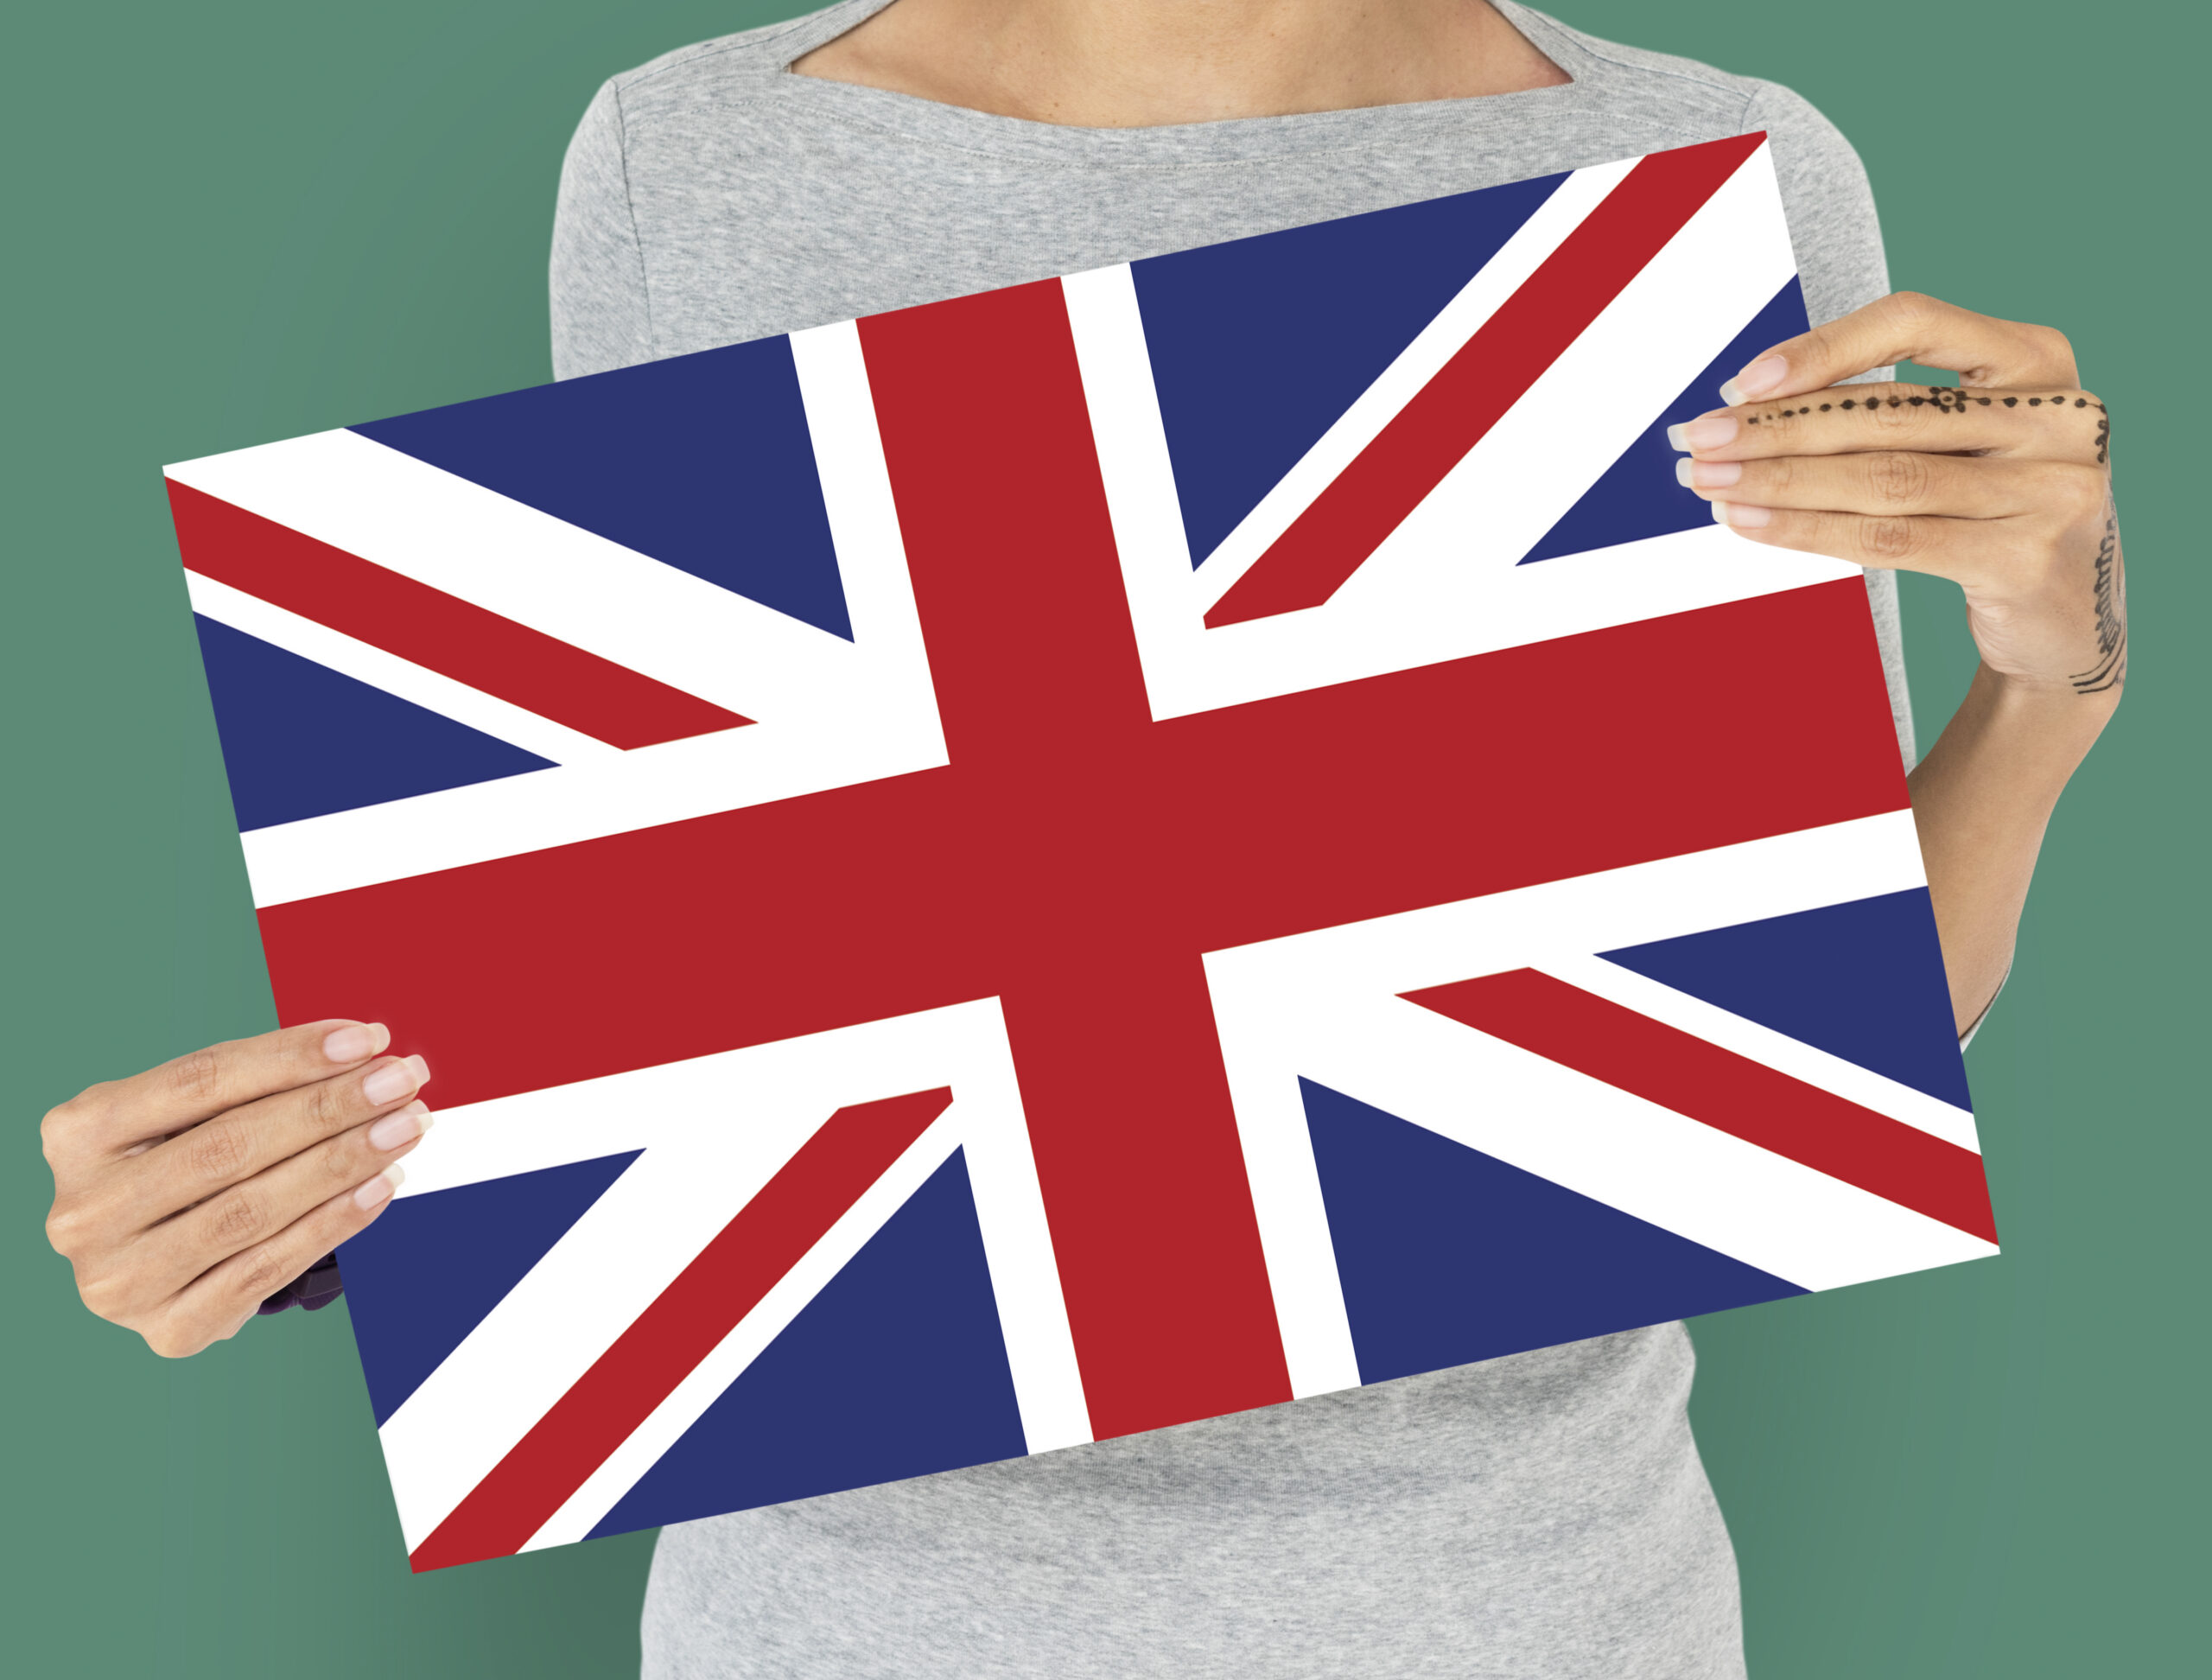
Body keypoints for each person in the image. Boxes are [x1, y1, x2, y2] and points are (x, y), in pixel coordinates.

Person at [41, 2, 2123, 1674]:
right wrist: (297, 1200)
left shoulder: (1727, 168)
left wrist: (2050, 671)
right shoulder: (687, 159)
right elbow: (707, 953)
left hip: (1530, 1606)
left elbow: (1800, 1020)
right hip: (846, 1626)